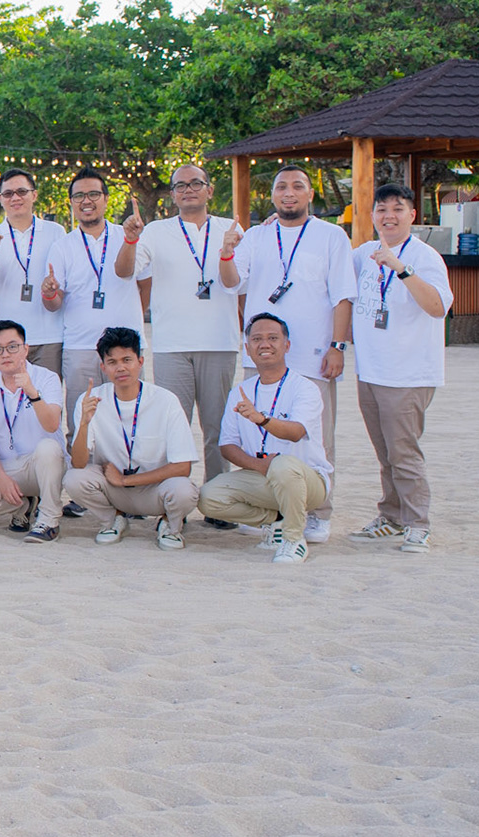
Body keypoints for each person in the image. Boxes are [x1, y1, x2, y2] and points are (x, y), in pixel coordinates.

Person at [220, 165, 355, 542]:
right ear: (273, 195)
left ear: (310, 194)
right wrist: (226, 254)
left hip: (313, 355)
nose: (289, 193)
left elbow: (343, 295)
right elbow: (232, 283)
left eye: (297, 186)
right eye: (281, 187)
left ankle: (319, 513)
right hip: (261, 355)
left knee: (316, 436)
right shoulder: (257, 236)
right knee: (256, 432)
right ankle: (269, 510)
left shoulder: (332, 236)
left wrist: (337, 346)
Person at [125, 164, 243, 489]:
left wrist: (230, 252)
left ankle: (218, 496)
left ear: (209, 190)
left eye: (195, 183)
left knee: (216, 428)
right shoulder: (155, 231)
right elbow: (128, 270)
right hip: (171, 345)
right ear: (173, 194)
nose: (188, 190)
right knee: (172, 427)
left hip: (219, 342)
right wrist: (130, 239)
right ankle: (171, 496)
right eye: (180, 186)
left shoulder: (231, 229)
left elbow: (238, 284)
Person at [346, 183, 450, 553]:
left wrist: (401, 269)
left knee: (404, 453)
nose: (389, 216)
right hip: (370, 371)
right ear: (373, 215)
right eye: (382, 209)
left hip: (407, 374)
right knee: (385, 453)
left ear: (412, 215)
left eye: (398, 208)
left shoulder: (425, 256)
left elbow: (438, 307)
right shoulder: (364, 253)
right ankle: (391, 516)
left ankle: (418, 524)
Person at [198, 313, 334, 565]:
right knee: (209, 497)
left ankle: (294, 539)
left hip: (308, 481)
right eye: (257, 339)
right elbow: (227, 445)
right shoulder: (241, 391)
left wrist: (262, 419)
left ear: (287, 345)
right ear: (248, 348)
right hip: (263, 475)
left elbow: (296, 432)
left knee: (283, 465)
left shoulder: (304, 388)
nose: (265, 344)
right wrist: (259, 466)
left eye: (273, 338)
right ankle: (276, 523)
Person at [64, 327, 200, 551]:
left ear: (140, 362)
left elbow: (183, 467)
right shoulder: (91, 399)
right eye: (112, 362)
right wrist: (85, 424)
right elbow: (78, 463)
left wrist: (125, 480)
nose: (121, 368)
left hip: (153, 488)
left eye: (127, 360)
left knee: (185, 491)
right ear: (103, 367)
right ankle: (113, 520)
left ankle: (170, 525)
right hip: (114, 489)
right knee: (73, 478)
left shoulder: (166, 400)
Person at [42, 168, 143, 439]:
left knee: (128, 421)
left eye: (93, 194)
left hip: (125, 346)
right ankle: (82, 466)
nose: (86, 201)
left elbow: (143, 284)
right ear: (72, 203)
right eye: (79, 196)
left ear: (107, 199)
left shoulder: (127, 235)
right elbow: (54, 303)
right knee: (81, 423)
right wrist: (49, 293)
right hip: (80, 347)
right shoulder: (62, 246)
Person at [0, 319, 67, 543]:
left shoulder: (47, 378)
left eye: (12, 347)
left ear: (25, 349)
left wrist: (32, 391)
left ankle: (49, 519)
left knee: (48, 448)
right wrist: (1, 478)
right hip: (11, 466)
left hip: (46, 465)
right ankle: (24, 505)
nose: (5, 354)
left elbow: (52, 424)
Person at [0, 169, 66, 371]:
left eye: (22, 192)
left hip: (49, 336)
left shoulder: (55, 232)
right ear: (0, 199)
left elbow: (62, 281)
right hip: (10, 339)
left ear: (34, 195)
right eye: (8, 194)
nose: (15, 198)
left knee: (46, 391)